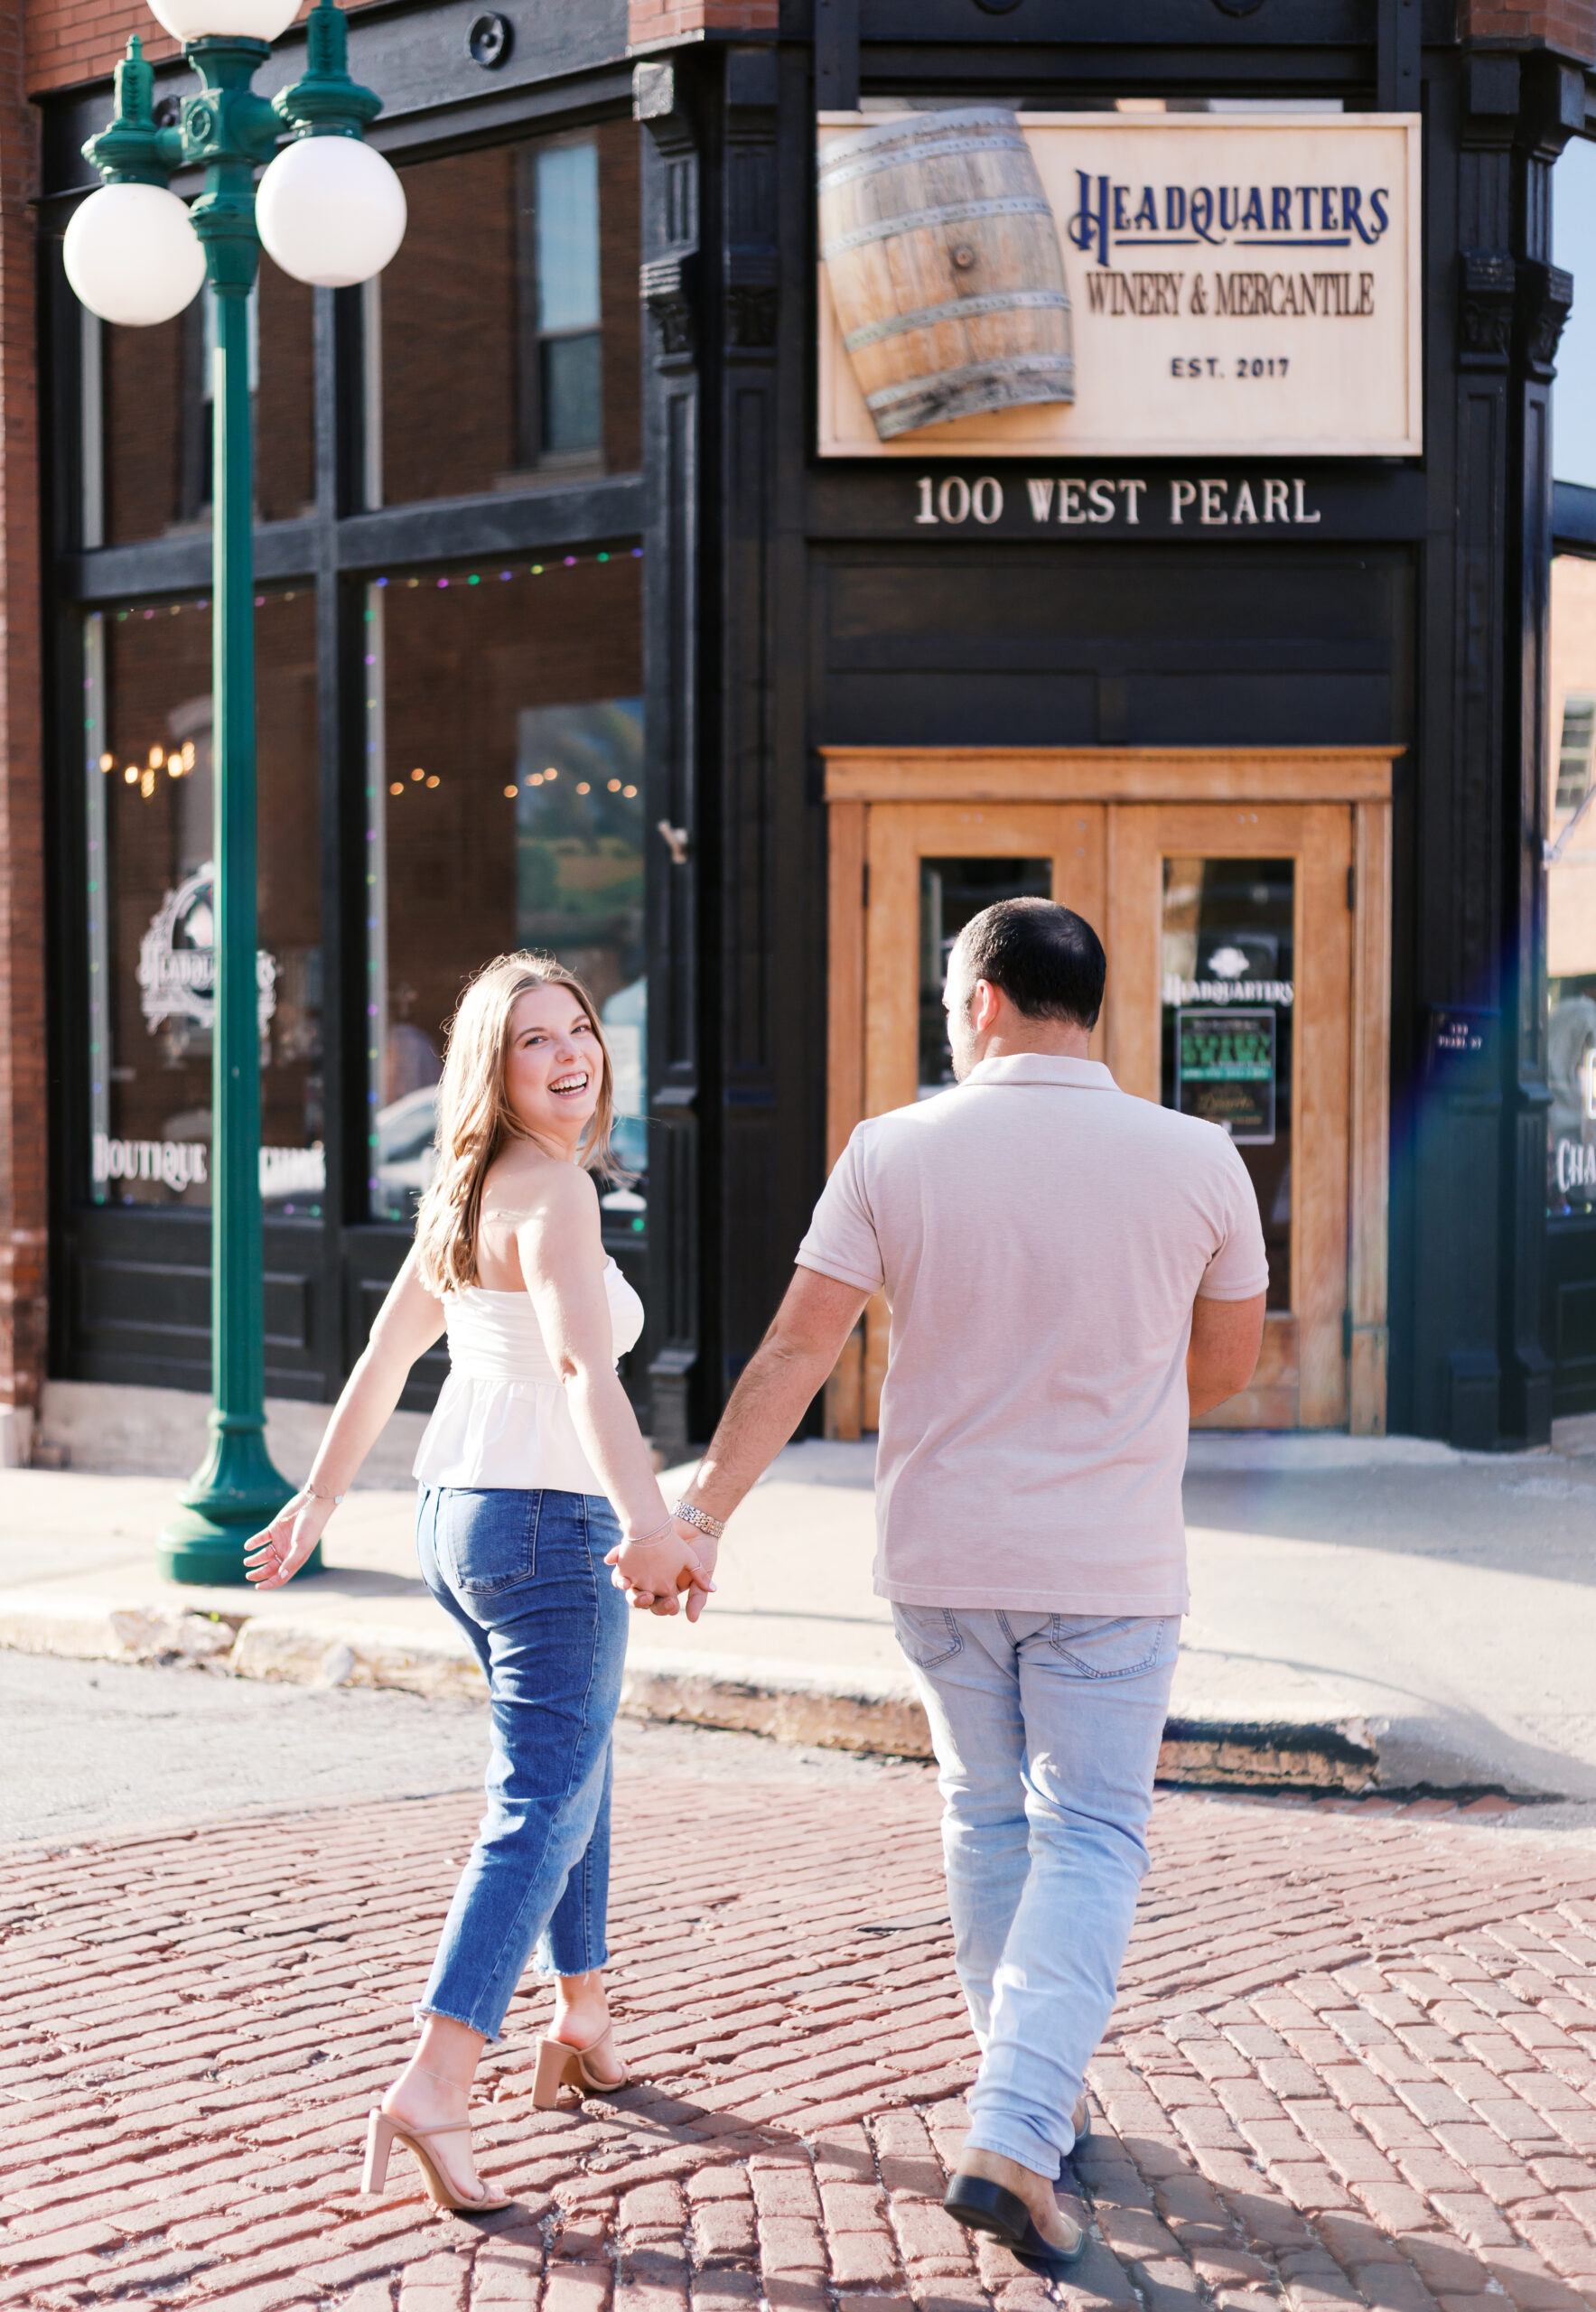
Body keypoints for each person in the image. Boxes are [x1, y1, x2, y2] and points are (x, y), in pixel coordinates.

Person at [621, 900, 1266, 2278]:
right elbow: (1225, 1368)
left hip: (942, 1556)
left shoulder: (893, 1150)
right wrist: (1118, 1419)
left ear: (978, 1000)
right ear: (1090, 1004)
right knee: (1088, 1835)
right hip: (1109, 1561)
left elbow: (797, 1351)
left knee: (986, 1816)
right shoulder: (1201, 1157)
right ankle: (1021, 2127)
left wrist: (704, 1512)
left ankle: (1018, 2093)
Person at [244, 952, 711, 2214]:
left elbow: (392, 1352)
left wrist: (322, 1497)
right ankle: (436, 2081)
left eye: (578, 1031)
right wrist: (652, 1524)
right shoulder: (554, 1191)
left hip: (460, 1517)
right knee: (540, 1801)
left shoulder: (462, 1182)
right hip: (551, 1524)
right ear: (491, 1070)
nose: (572, 1055)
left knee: (575, 1767)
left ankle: (587, 2018)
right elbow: (583, 1375)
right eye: (534, 1042)